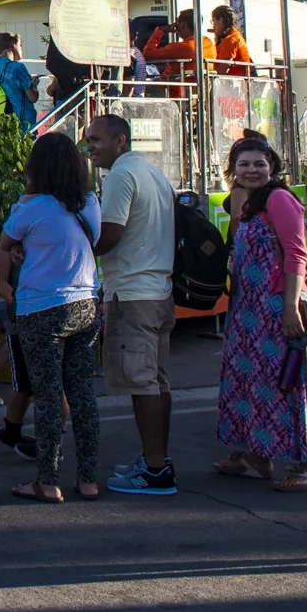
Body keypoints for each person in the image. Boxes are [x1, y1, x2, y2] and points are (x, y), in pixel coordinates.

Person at [212, 138, 307, 493]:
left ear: (273, 167)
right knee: (251, 381)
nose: (252, 170)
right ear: (233, 170)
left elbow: (296, 254)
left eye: (259, 164)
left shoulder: (279, 199)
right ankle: (257, 455)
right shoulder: (247, 201)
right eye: (244, 164)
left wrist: (290, 308)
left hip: (277, 305)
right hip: (249, 310)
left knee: (288, 383)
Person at [0, 133, 103, 502]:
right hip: (85, 303)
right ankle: (88, 479)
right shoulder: (90, 203)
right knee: (82, 395)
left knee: (47, 397)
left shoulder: (32, 207)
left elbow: (4, 245)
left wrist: (12, 272)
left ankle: (47, 481)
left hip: (41, 308)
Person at [84, 113, 180, 496]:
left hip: (133, 292)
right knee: (156, 382)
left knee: (143, 385)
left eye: (96, 139)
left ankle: (155, 469)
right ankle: (156, 460)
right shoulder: (152, 171)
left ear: (120, 140)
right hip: (158, 290)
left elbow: (110, 234)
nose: (90, 147)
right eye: (88, 140)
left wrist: (76, 249)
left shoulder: (121, 175)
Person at [143, 10, 213, 98]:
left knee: (141, 87)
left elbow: (146, 55)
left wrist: (159, 30)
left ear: (183, 25)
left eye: (178, 23)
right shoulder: (209, 43)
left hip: (172, 92)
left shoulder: (179, 47)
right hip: (199, 94)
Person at [0, 33, 40, 132]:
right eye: (20, 45)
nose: (21, 49)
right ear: (13, 45)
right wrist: (35, 86)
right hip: (23, 122)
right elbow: (33, 98)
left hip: (2, 121)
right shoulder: (18, 68)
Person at [209, 5, 253, 75]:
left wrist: (206, 73)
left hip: (234, 79)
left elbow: (223, 69)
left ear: (220, 20)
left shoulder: (230, 40)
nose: (213, 26)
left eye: (213, 21)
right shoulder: (236, 36)